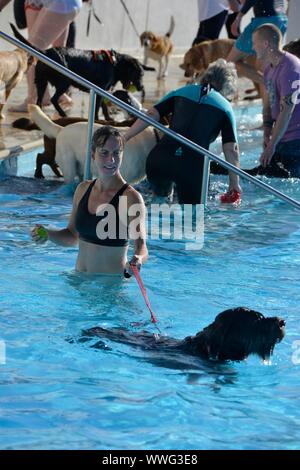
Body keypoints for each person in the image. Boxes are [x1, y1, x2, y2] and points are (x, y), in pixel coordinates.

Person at [31, 126, 148, 275]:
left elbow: (141, 246)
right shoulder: (83, 189)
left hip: (108, 288)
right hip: (77, 281)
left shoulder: (130, 197)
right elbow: (72, 236)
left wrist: (137, 259)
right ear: (93, 154)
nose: (111, 159)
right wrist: (48, 234)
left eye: (116, 153)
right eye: (104, 153)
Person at [125, 59, 242, 205]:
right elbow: (231, 149)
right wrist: (234, 183)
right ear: (228, 88)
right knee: (191, 223)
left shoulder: (181, 92)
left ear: (204, 76)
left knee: (157, 207)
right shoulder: (225, 107)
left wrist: (125, 137)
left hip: (160, 160)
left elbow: (151, 114)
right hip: (193, 167)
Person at [0, 0, 83, 112]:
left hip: (60, 4)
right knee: (56, 51)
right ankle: (56, 94)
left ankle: (33, 100)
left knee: (31, 51)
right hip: (63, 4)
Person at [251, 23, 300, 177]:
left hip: (295, 143)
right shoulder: (268, 70)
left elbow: (287, 110)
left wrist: (271, 145)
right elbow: (267, 106)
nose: (253, 48)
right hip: (280, 141)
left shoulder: (291, 67)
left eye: (254, 43)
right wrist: (267, 134)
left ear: (266, 44)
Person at [227, 0, 288, 85]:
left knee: (229, 63)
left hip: (264, 19)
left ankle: (270, 83)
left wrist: (238, 18)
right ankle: (271, 85)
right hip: (280, 19)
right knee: (264, 68)